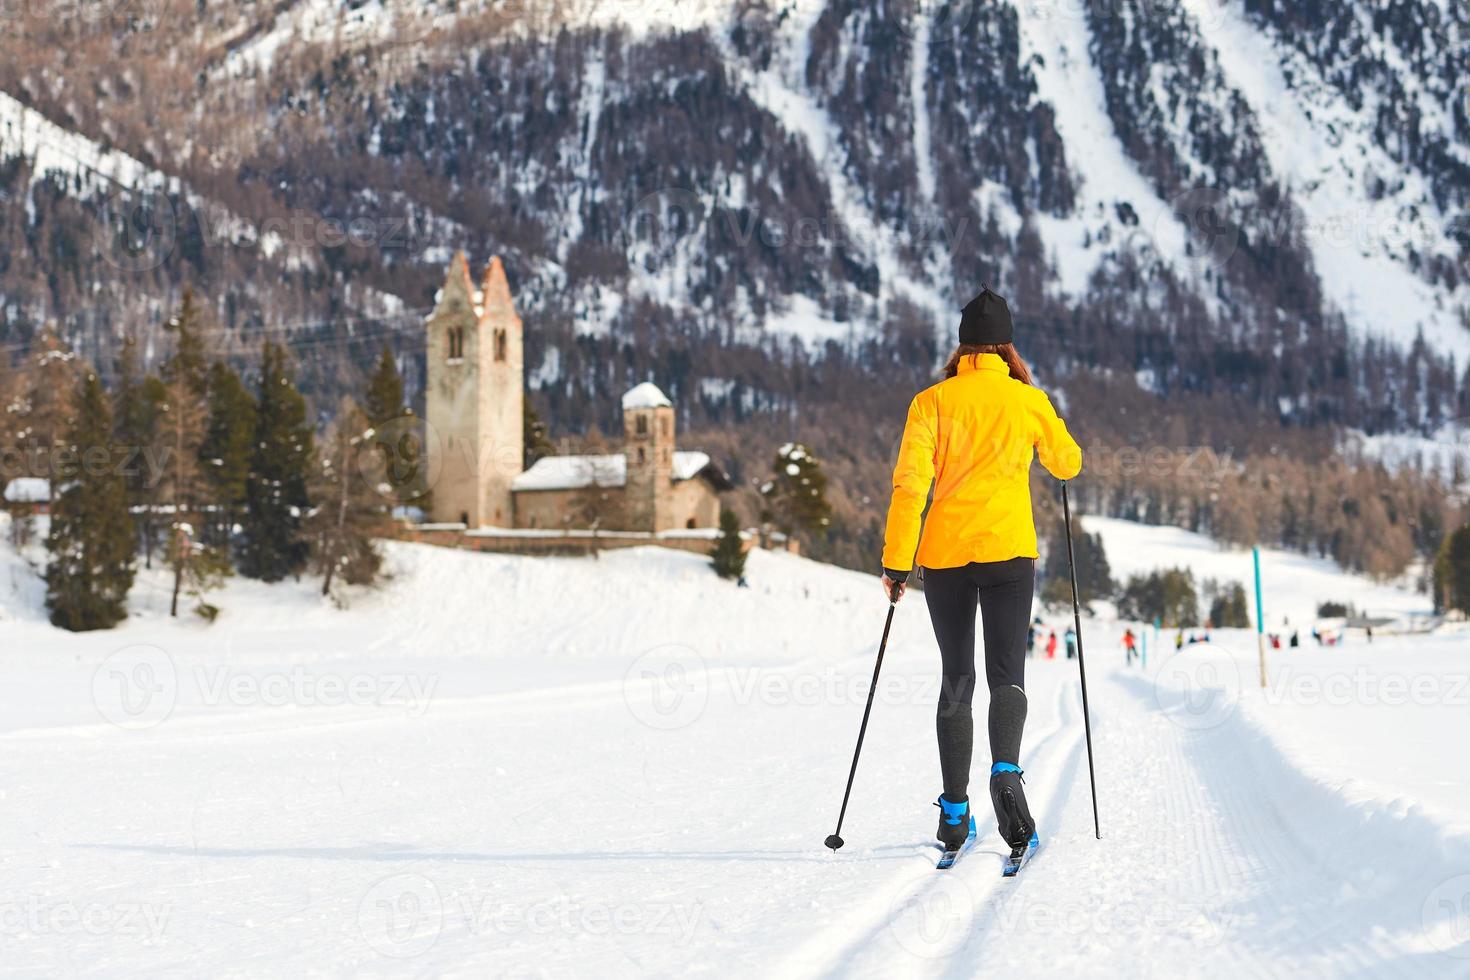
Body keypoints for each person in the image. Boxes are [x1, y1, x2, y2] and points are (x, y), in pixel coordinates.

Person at [879, 286, 1082, 858]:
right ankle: (1008, 773)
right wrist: (1042, 420)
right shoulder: (1027, 399)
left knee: (956, 679)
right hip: (1009, 553)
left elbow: (910, 485)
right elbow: (1067, 462)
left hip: (944, 558)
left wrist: (896, 561)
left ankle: (954, 812)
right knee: (1006, 675)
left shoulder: (931, 402)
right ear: (1007, 346)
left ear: (962, 345)